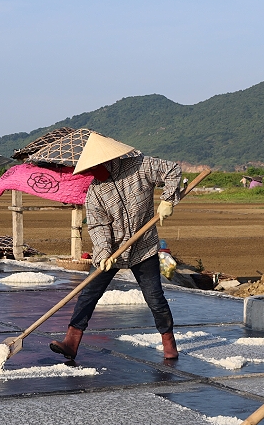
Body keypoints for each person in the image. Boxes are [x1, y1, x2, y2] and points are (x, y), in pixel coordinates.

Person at [49, 134, 182, 362]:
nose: (92, 172)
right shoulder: (96, 192)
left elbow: (173, 170)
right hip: (112, 251)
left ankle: (169, 342)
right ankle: (71, 341)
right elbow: (98, 226)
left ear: (106, 159)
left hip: (144, 247)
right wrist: (103, 253)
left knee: (155, 298)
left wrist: (167, 199)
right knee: (88, 293)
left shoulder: (140, 166)